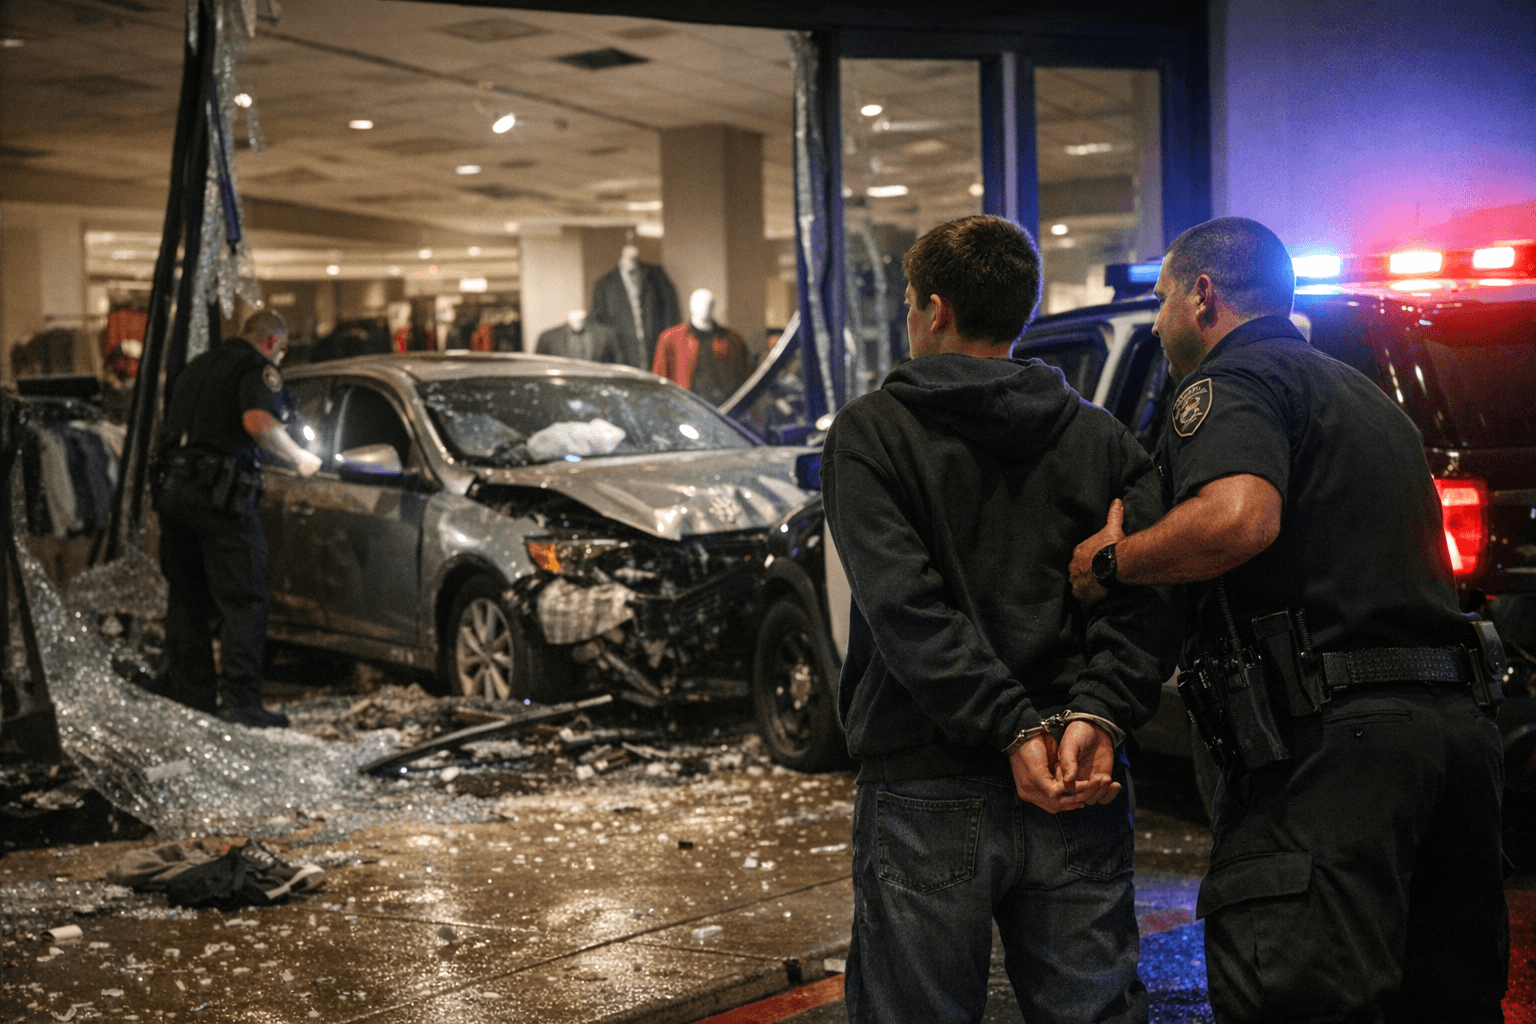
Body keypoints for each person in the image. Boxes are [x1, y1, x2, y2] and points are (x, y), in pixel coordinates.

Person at [1070, 216, 1509, 1023]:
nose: (1163, 321)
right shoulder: (1370, 400)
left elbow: (1240, 519)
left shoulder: (1229, 384)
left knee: (1296, 995)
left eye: (1165, 300)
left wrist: (1109, 564)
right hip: (1453, 740)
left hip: (1328, 758)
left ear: (1204, 296)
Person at [822, 214, 1176, 1024]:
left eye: (911, 303)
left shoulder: (873, 434)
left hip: (926, 787)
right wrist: (1100, 712)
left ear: (934, 310)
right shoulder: (1103, 440)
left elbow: (907, 609)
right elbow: (1148, 598)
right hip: (1079, 777)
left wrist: (1010, 728)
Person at [154, 310, 321, 728]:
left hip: (174, 492)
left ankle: (193, 699)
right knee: (244, 600)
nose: (279, 359)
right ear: (271, 343)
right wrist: (299, 456)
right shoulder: (256, 368)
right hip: (219, 496)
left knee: (187, 598)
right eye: (280, 351)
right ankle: (241, 704)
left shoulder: (197, 367)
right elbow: (258, 423)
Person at [650, 289, 752, 405]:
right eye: (699, 303)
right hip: (686, 407)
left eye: (709, 304)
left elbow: (744, 378)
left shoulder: (731, 340)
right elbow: (659, 377)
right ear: (691, 305)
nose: (705, 308)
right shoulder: (671, 339)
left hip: (725, 407)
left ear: (713, 306)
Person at [590, 242, 678, 369]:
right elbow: (598, 322)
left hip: (654, 345)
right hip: (622, 350)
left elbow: (669, 311)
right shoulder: (604, 285)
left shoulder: (655, 276)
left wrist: (669, 342)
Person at [535, 309, 625, 364]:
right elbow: (539, 368)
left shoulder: (606, 334)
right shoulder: (548, 337)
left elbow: (618, 364)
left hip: (598, 389)